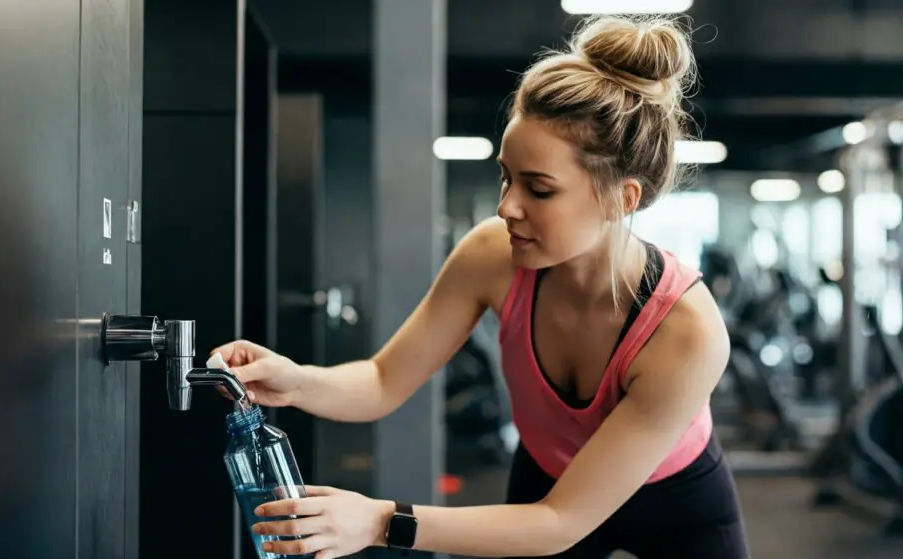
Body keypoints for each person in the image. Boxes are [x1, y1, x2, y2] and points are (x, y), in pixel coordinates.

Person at [213, 15, 748, 559]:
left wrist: (380, 522)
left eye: (538, 190)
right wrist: (296, 382)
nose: (506, 206)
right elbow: (381, 380)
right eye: (506, 177)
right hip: (548, 477)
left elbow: (561, 523)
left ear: (622, 199)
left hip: (676, 503)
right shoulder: (494, 254)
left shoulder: (688, 333)